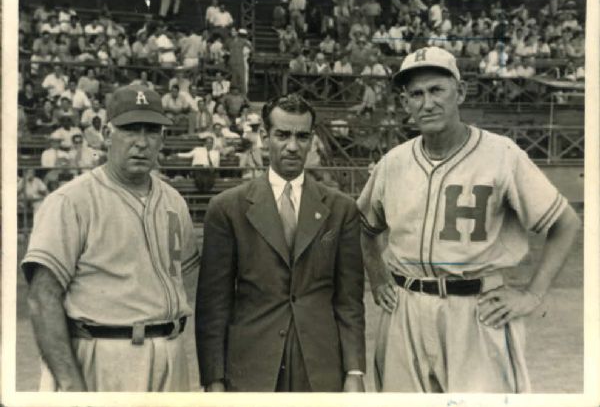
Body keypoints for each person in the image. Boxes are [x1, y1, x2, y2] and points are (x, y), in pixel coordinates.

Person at [357, 46, 581, 393]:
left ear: (459, 92)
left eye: (436, 90)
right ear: (405, 104)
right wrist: (377, 279)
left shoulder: (501, 154)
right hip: (406, 309)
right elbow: (367, 229)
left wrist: (533, 295)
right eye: (416, 94)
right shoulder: (393, 163)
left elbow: (565, 224)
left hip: (476, 311)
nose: (426, 103)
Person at [22, 85, 200, 391]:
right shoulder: (71, 201)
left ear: (162, 138)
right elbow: (42, 299)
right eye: (130, 129)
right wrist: (69, 383)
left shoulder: (174, 201)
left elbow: (187, 279)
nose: (141, 142)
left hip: (170, 355)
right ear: (107, 133)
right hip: (104, 353)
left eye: (152, 131)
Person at [195, 94, 366, 392]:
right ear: (264, 136)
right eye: (282, 135)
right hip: (251, 366)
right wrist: (214, 379)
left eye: (302, 137)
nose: (292, 146)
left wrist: (354, 370)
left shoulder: (341, 209)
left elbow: (349, 301)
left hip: (319, 365)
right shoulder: (228, 208)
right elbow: (214, 305)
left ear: (312, 140)